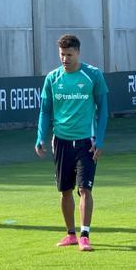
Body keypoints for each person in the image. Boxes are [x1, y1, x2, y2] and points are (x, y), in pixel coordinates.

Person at [35, 34, 108, 252]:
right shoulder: (52, 78)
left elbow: (103, 109)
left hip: (87, 141)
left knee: (84, 188)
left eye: (69, 55)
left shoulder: (92, 75)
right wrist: (40, 137)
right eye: (61, 55)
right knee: (65, 190)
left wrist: (100, 139)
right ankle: (70, 234)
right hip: (61, 141)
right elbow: (45, 111)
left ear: (78, 53)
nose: (65, 59)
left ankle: (85, 234)